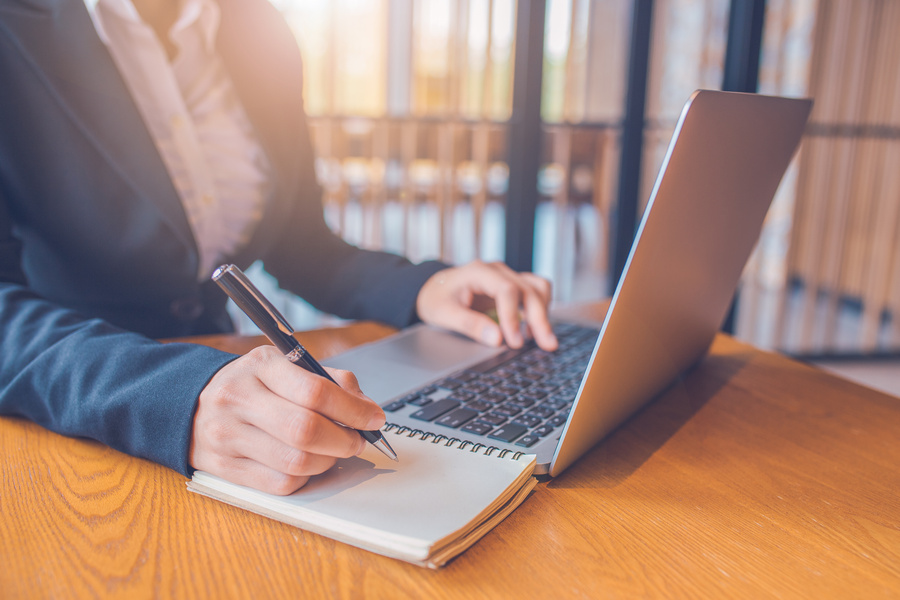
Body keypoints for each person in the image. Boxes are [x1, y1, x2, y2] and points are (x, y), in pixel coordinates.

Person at [0, 0, 558, 495]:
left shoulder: (255, 27)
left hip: (238, 413)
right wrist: (178, 395)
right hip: (70, 420)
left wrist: (424, 287)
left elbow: (302, 247)